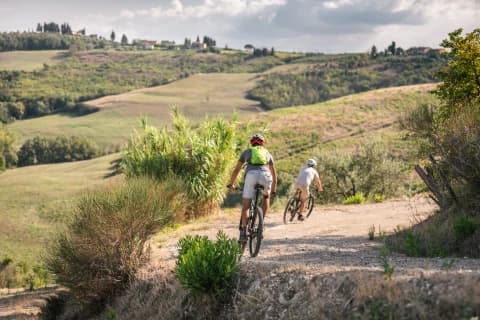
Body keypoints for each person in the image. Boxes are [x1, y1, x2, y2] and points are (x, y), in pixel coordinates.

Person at [227, 133, 277, 241]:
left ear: (251, 143)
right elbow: (274, 173)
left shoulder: (247, 152)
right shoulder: (267, 153)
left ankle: (244, 232)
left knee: (246, 205)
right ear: (263, 144)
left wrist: (231, 183)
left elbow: (237, 170)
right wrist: (273, 189)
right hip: (266, 176)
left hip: (251, 175)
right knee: (266, 198)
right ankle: (261, 225)